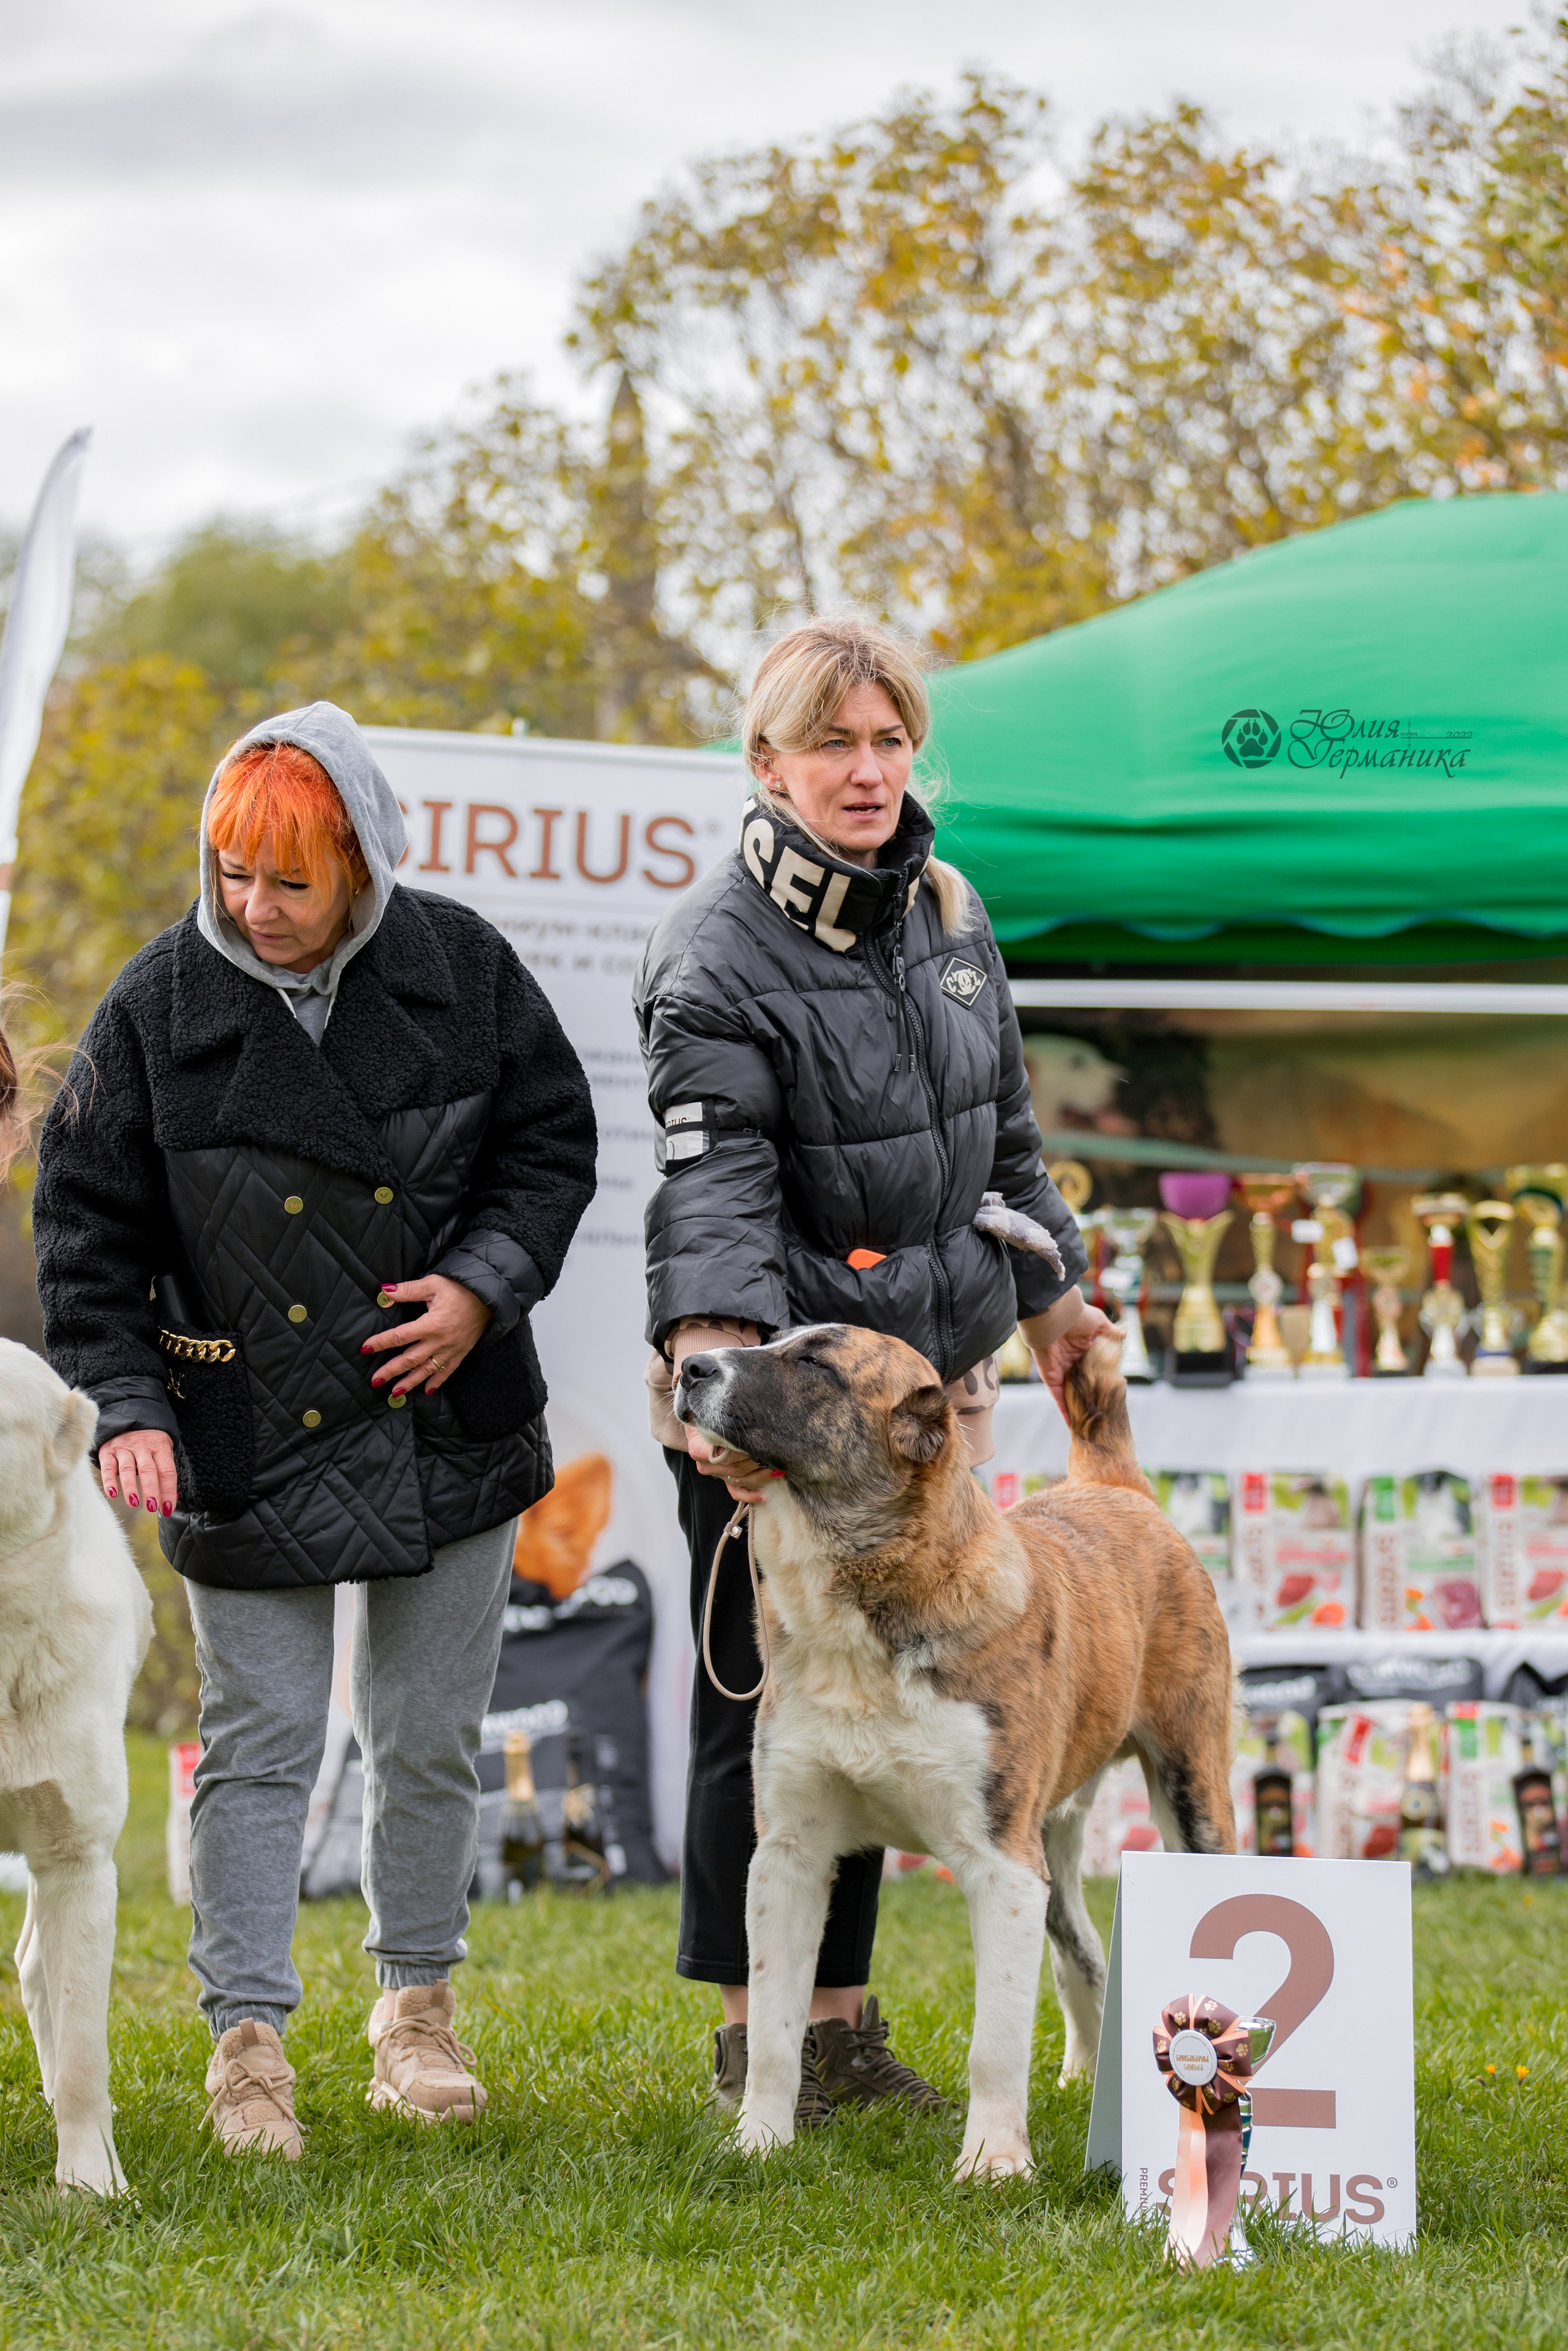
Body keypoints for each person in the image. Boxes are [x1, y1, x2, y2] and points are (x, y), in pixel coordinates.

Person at [32, 703, 596, 2159]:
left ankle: (415, 2008)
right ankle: (247, 2038)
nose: (254, 909)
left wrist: (479, 1288)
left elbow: (549, 1146)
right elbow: (85, 1240)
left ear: (361, 860)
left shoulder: (462, 968)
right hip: (240, 1433)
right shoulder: (154, 1005)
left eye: (288, 881)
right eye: (232, 875)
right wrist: (133, 1408)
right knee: (259, 1744)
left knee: (427, 1739)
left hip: (446, 1423)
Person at [636, 617, 1112, 2121]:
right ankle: (762, 2033)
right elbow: (708, 1174)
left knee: (909, 1698)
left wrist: (1060, 1306)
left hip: (931, 1392)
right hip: (766, 1403)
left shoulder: (952, 910)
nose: (863, 768)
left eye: (886, 739)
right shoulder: (711, 944)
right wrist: (716, 1361)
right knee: (769, 1716)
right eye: (829, 742)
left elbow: (1007, 1140)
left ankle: (844, 2036)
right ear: (763, 763)